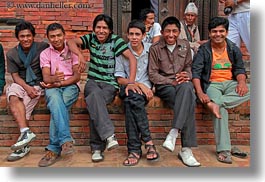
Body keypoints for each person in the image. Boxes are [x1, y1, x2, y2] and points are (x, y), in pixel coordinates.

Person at [67, 14, 137, 163]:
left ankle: (97, 148)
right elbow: (71, 41)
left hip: (109, 84)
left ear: (110, 30)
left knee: (94, 101)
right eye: (98, 27)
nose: (101, 30)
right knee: (95, 98)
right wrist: (80, 55)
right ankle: (109, 136)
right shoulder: (91, 38)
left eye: (105, 28)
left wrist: (130, 82)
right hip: (93, 81)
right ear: (94, 29)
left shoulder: (116, 41)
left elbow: (131, 58)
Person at [192, 17, 250, 164]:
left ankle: (217, 103)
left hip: (231, 83)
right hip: (212, 84)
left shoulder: (232, 48)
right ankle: (224, 149)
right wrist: (200, 93)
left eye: (221, 31)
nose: (218, 34)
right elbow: (196, 73)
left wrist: (242, 82)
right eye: (214, 31)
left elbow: (240, 69)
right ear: (210, 34)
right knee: (220, 110)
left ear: (227, 32)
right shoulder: (204, 50)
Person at [148, 16, 201, 167]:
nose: (171, 35)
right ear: (162, 32)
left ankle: (173, 132)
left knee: (187, 89)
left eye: (174, 31)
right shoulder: (155, 49)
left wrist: (188, 75)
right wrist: (171, 81)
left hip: (182, 84)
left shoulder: (185, 45)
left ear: (179, 31)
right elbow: (152, 74)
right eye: (167, 31)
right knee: (188, 99)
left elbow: (189, 67)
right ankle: (186, 149)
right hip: (165, 86)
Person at [115, 20, 159, 166]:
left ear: (144, 35)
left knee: (130, 102)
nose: (134, 37)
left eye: (137, 34)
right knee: (131, 94)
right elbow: (120, 78)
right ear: (127, 35)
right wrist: (136, 83)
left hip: (143, 91)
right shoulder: (122, 52)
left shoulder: (151, 49)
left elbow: (156, 72)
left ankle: (134, 150)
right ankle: (148, 141)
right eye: (131, 34)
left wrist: (149, 86)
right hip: (128, 86)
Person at [38, 23, 81, 167]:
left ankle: (53, 149)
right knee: (56, 102)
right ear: (48, 38)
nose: (56, 39)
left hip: (70, 86)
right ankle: (65, 140)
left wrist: (61, 83)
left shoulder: (72, 50)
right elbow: (46, 77)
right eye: (52, 36)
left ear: (64, 35)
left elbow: (76, 76)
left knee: (56, 106)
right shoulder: (45, 54)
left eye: (58, 35)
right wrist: (54, 79)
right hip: (52, 86)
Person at [5, 20, 49, 161]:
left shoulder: (42, 47)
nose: (25, 39)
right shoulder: (12, 53)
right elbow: (15, 76)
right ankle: (25, 132)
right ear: (17, 37)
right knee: (12, 93)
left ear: (33, 36)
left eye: (28, 36)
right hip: (22, 83)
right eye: (22, 36)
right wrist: (27, 87)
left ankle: (23, 147)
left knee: (24, 106)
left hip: (38, 83)